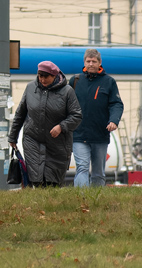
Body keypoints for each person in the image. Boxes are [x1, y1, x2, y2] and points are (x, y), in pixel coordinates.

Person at [8, 60, 82, 187]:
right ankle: (38, 198)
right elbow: (20, 113)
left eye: (46, 76)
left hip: (58, 143)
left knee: (53, 181)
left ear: (54, 76)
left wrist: (61, 126)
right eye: (40, 76)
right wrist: (12, 137)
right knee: (36, 178)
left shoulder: (67, 91)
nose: (42, 79)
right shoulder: (30, 88)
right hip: (33, 139)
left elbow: (77, 115)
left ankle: (51, 198)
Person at [72, 48, 123, 187]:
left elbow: (116, 104)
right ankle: (81, 197)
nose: (91, 64)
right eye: (88, 61)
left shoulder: (109, 82)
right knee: (82, 167)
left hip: (100, 134)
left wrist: (114, 120)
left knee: (98, 173)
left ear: (99, 63)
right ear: (84, 62)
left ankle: (96, 198)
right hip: (79, 134)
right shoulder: (75, 81)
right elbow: (65, 103)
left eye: (94, 61)